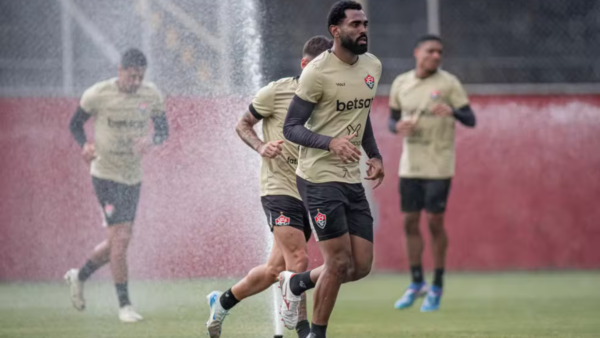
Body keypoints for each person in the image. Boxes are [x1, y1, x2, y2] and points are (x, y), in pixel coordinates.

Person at [204, 36, 333, 338]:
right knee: (299, 260)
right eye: (319, 66)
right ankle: (304, 331)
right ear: (304, 65)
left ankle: (220, 303)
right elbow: (242, 124)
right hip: (278, 189)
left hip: (308, 191)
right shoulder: (277, 92)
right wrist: (261, 147)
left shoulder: (330, 99)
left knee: (275, 270)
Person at [279, 2, 384, 337]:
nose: (363, 29)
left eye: (365, 23)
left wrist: (375, 154)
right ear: (335, 31)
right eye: (355, 24)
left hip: (351, 177)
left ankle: (295, 283)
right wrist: (330, 142)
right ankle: (316, 334)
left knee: (360, 266)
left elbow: (361, 115)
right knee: (338, 264)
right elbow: (291, 127)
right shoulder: (318, 72)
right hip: (318, 178)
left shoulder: (373, 66)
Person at [64, 48, 169, 323]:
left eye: (140, 77)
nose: (135, 82)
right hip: (105, 175)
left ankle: (79, 275)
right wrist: (84, 144)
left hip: (133, 177)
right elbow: (75, 124)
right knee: (121, 239)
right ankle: (125, 306)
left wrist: (151, 141)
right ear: (120, 70)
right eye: (131, 76)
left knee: (116, 242)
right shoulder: (98, 94)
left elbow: (163, 131)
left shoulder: (151, 94)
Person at [388, 34, 476, 312]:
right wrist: (397, 128)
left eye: (440, 52)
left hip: (439, 164)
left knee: (435, 221)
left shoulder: (448, 83)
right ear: (417, 53)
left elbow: (470, 119)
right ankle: (416, 282)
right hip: (410, 165)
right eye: (431, 51)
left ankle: (437, 283)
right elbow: (392, 119)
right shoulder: (401, 83)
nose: (436, 56)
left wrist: (452, 111)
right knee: (410, 222)